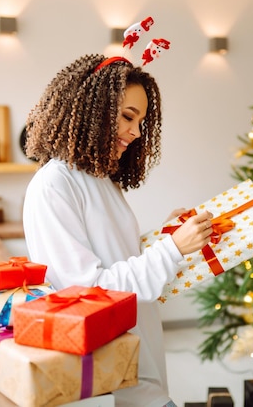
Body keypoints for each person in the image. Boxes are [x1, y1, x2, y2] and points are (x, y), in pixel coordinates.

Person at [22, 53, 214, 407]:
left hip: (139, 360)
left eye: (140, 121)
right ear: (94, 111)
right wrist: (171, 249)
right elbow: (87, 293)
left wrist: (165, 236)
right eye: (128, 117)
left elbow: (117, 258)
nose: (137, 132)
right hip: (111, 379)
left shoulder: (99, 178)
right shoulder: (53, 186)